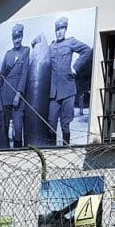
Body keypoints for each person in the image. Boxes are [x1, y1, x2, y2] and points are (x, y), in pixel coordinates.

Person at [47, 17, 93, 145]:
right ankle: (51, 152)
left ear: (65, 29)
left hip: (67, 89)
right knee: (50, 123)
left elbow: (86, 50)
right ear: (55, 31)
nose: (59, 32)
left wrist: (75, 67)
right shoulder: (51, 47)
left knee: (65, 124)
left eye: (62, 29)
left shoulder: (70, 42)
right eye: (57, 29)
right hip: (53, 93)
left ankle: (65, 150)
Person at [0, 23, 30, 149]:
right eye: (15, 38)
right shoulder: (8, 54)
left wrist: (18, 95)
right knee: (4, 129)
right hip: (5, 96)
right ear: (12, 39)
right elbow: (3, 75)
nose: (17, 40)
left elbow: (24, 75)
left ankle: (18, 153)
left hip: (17, 98)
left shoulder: (25, 52)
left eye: (19, 37)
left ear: (22, 37)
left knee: (18, 130)